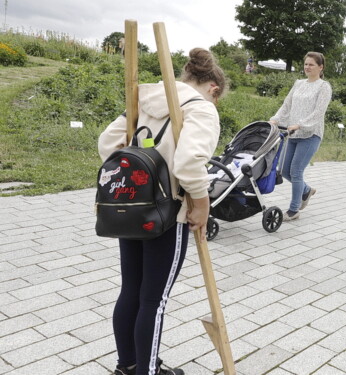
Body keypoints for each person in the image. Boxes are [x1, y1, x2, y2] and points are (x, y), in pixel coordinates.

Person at [98, 48, 227, 375]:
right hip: (168, 215)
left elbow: (106, 144)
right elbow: (187, 164)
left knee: (131, 290)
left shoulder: (145, 99)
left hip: (131, 206)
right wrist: (201, 202)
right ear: (213, 89)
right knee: (153, 302)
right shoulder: (202, 110)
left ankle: (128, 365)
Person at [270, 52, 332, 221]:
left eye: (311, 64)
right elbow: (287, 105)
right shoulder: (298, 84)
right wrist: (275, 119)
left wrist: (301, 124)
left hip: (310, 134)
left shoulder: (323, 86)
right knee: (283, 169)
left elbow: (319, 112)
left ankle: (294, 209)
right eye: (305, 64)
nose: (307, 67)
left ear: (320, 67)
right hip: (292, 133)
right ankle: (306, 190)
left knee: (296, 172)